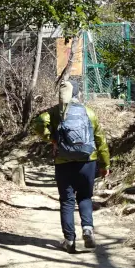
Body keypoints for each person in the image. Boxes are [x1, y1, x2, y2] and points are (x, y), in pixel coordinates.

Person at [31, 80, 110, 253]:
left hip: (63, 162)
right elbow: (101, 140)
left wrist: (52, 139)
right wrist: (105, 164)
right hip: (87, 161)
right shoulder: (88, 112)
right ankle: (87, 228)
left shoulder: (54, 112)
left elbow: (37, 124)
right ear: (78, 94)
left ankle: (69, 240)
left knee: (67, 200)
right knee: (85, 197)